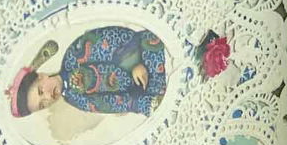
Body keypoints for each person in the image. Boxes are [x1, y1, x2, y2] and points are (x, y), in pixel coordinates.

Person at [11, 25, 169, 119]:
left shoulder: (73, 56)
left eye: (40, 91)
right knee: (156, 102)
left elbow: (112, 40)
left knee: (152, 46)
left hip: (142, 54)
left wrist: (134, 64)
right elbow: (110, 103)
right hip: (142, 88)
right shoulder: (75, 99)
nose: (47, 97)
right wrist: (135, 102)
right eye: (42, 104)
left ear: (42, 76)